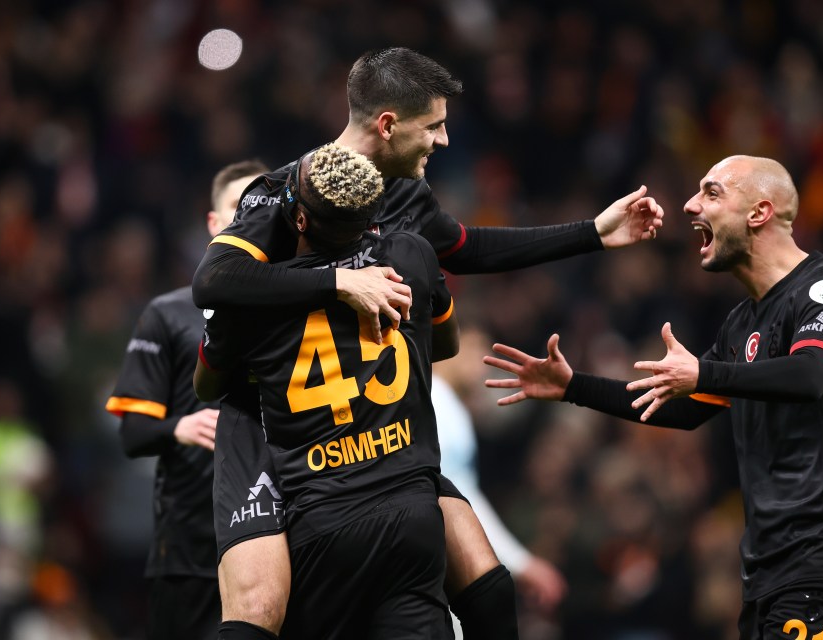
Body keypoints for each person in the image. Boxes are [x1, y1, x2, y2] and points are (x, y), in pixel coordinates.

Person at [191, 47, 663, 640]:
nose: (443, 140)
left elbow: (466, 247)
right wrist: (339, 281)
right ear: (387, 124)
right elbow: (212, 280)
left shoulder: (404, 196)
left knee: (483, 584)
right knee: (262, 611)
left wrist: (592, 233)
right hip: (268, 429)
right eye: (434, 125)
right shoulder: (285, 193)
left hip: (370, 434)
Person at [483, 155, 823, 640]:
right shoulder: (743, 323)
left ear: (758, 212)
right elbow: (684, 407)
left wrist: (704, 372)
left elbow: (812, 374)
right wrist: (573, 387)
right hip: (777, 566)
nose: (688, 205)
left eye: (711, 192)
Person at [194, 143, 459, 639]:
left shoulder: (250, 297)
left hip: (321, 519)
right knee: (487, 586)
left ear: (296, 219)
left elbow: (207, 384)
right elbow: (442, 344)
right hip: (411, 511)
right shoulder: (412, 254)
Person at [105, 160, 269, 640]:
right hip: (190, 552)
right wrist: (178, 426)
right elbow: (132, 435)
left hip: (277, 542)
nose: (250, 220)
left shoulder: (297, 310)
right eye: (237, 209)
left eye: (260, 210)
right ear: (214, 224)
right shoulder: (169, 314)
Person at [432, 327, 567, 634]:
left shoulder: (438, 400)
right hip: (437, 564)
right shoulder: (438, 401)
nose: (480, 361)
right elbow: (459, 500)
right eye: (472, 346)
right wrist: (521, 563)